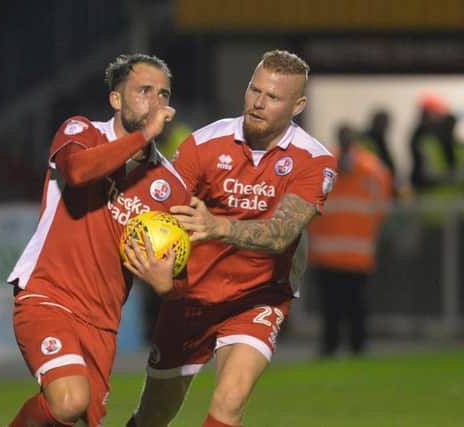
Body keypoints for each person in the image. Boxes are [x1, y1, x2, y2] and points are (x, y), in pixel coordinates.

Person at [126, 49, 337, 427]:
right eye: (254, 90)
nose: (257, 103)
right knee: (154, 416)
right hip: (190, 294)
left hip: (257, 297)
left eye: (273, 97)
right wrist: (156, 269)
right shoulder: (204, 143)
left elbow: (281, 234)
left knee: (229, 404)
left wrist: (219, 226)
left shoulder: (314, 161)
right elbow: (160, 215)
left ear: (298, 105)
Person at [6, 53, 190, 427]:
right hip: (48, 295)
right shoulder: (82, 132)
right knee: (70, 400)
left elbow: (184, 278)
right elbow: (76, 172)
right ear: (116, 99)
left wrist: (167, 285)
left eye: (163, 94)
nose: (155, 101)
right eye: (144, 90)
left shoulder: (170, 187)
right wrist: (142, 136)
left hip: (103, 324)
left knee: (76, 413)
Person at [308, 124, 393, 358]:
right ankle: (352, 347)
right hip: (353, 250)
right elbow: (381, 208)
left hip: (334, 250)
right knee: (348, 305)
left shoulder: (324, 166)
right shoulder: (372, 169)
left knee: (339, 305)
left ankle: (337, 346)